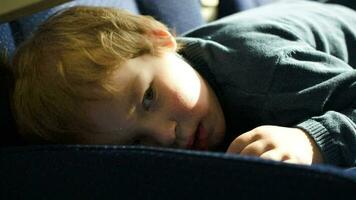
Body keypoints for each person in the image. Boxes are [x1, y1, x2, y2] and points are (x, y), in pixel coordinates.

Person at [10, 0, 356, 167]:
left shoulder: (265, 69)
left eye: (148, 98)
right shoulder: (181, 99)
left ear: (160, 39)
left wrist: (313, 138)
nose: (164, 135)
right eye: (136, 142)